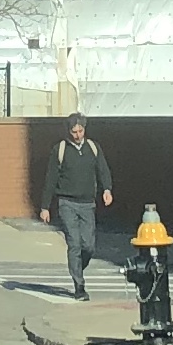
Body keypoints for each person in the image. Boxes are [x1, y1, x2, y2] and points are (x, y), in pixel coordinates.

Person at [39, 114, 115, 301]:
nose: (78, 135)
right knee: (74, 243)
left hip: (88, 204)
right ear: (68, 131)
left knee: (88, 246)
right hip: (67, 203)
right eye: (74, 132)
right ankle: (79, 286)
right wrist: (45, 207)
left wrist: (107, 189)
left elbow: (103, 170)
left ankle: (78, 267)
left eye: (81, 131)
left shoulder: (93, 148)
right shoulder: (60, 150)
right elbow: (50, 179)